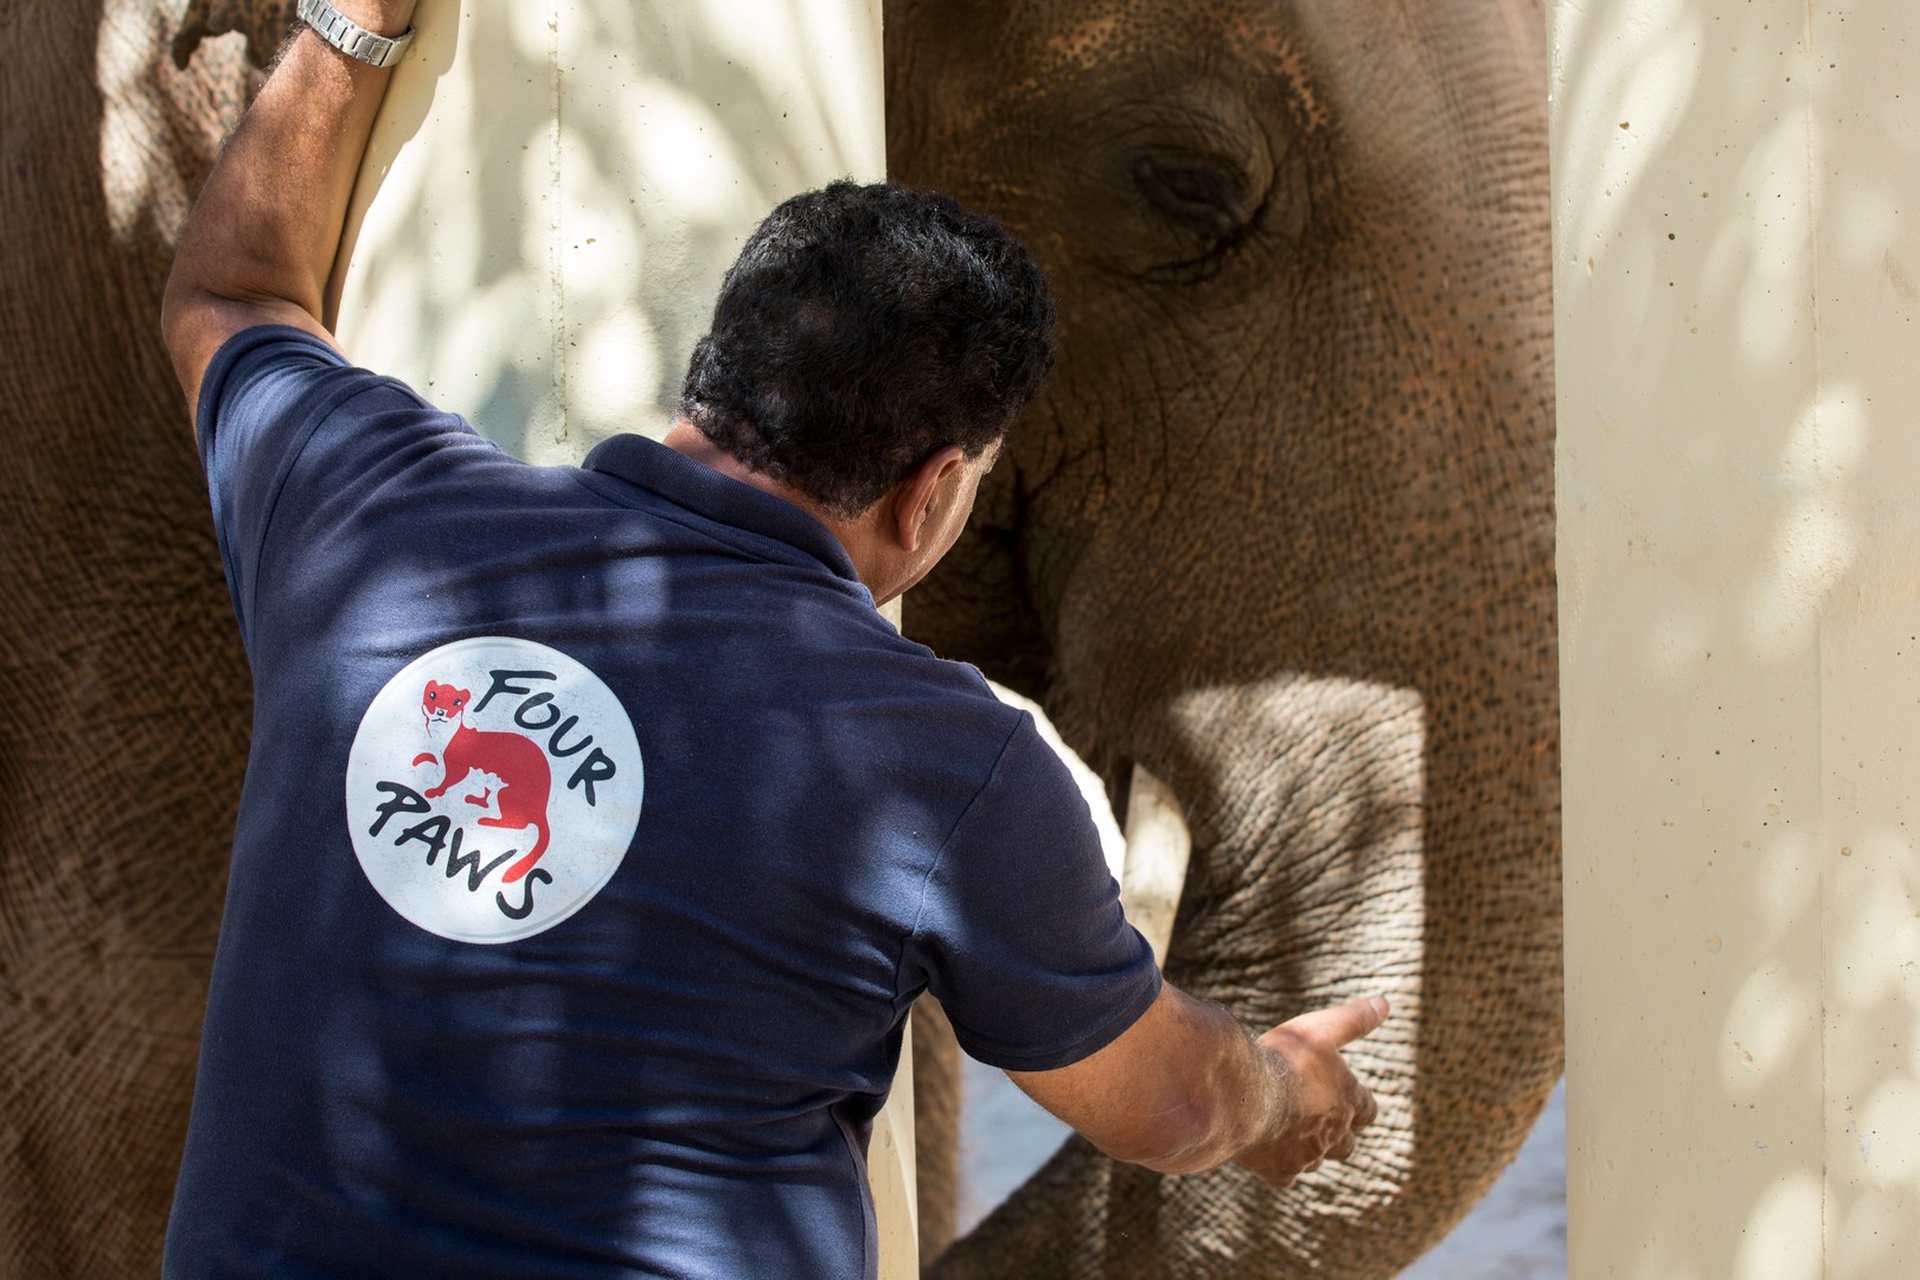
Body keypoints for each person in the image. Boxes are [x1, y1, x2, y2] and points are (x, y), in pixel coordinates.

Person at [159, 2, 1389, 1276]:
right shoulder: (948, 763)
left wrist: (353, 25)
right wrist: (1281, 1088)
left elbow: (231, 288)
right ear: (933, 492)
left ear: (717, 365)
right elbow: (1168, 1098)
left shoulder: (374, 513)